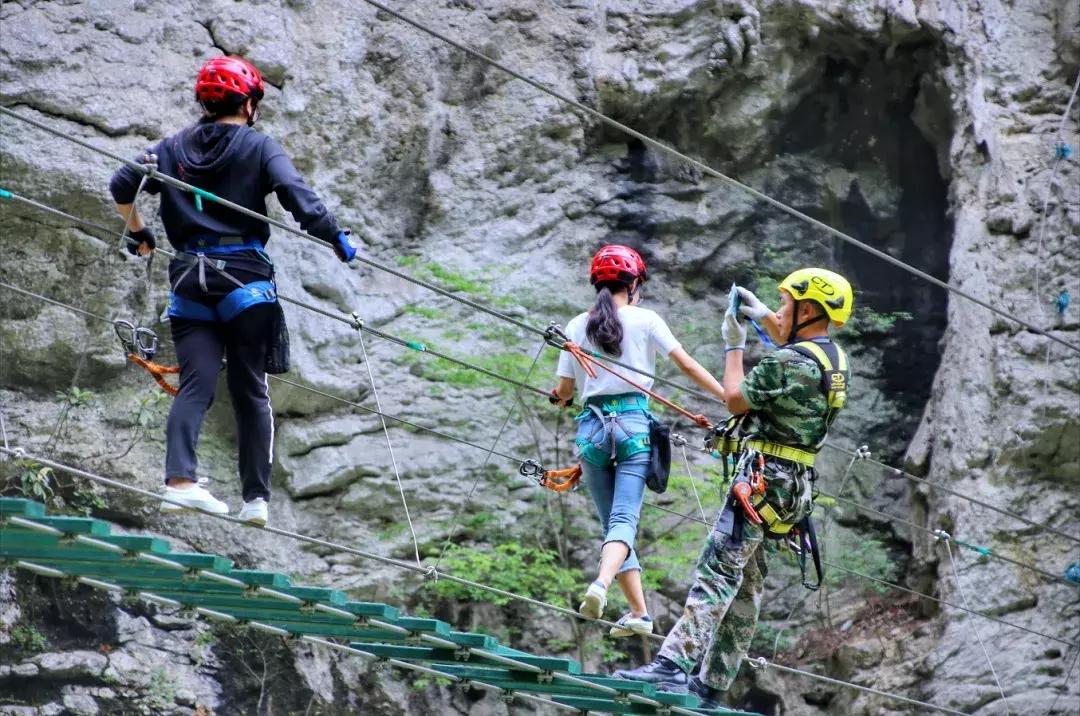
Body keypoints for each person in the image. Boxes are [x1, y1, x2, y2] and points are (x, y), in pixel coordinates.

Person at [108, 56, 357, 526]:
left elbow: (121, 183)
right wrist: (336, 240)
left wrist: (138, 232)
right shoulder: (259, 146)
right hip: (244, 278)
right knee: (250, 389)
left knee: (196, 384)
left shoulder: (169, 147)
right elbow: (297, 195)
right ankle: (255, 501)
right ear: (249, 104)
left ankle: (179, 484)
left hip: (188, 279)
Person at [615, 268, 853, 708]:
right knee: (748, 583)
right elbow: (795, 350)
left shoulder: (787, 362)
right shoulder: (834, 361)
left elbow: (734, 397)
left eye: (784, 305)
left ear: (806, 309)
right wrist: (763, 315)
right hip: (793, 488)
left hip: (760, 479)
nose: (778, 311)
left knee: (718, 571)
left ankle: (672, 666)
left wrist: (734, 345)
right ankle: (713, 682)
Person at [551, 244, 727, 638]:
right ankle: (601, 584)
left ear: (597, 283)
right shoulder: (646, 319)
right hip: (633, 425)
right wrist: (725, 395)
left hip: (591, 431)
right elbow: (686, 364)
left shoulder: (577, 324)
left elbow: (563, 389)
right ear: (633, 286)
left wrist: (560, 395)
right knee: (623, 522)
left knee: (612, 525)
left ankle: (639, 613)